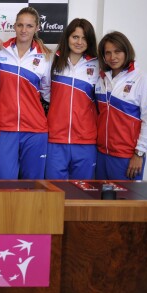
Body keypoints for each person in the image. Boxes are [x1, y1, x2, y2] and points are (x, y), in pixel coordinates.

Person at [0, 6, 52, 180]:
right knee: (3, 183)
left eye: (29, 26)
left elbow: (47, 93)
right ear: (14, 26)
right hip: (4, 128)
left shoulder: (46, 57)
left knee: (32, 187)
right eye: (20, 25)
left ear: (37, 28)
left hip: (34, 130)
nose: (24, 30)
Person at [95, 31, 147, 180]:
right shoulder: (101, 79)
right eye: (108, 53)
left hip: (127, 157)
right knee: (100, 201)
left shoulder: (143, 79)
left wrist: (139, 153)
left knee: (126, 202)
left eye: (118, 51)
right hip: (101, 155)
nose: (113, 57)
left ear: (126, 51)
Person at [45, 18, 99, 179]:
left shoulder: (98, 66)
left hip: (85, 141)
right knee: (54, 193)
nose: (79, 42)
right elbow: (46, 91)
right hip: (56, 139)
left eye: (84, 38)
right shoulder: (52, 60)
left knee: (83, 194)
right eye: (75, 37)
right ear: (67, 37)